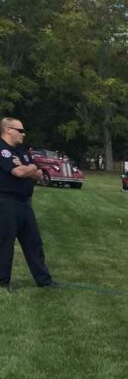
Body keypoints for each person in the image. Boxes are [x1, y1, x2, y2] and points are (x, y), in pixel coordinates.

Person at [0, 117, 55, 291]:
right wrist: (30, 167)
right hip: (6, 202)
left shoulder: (23, 150)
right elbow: (18, 172)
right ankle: (3, 282)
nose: (24, 134)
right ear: (8, 130)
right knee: (5, 243)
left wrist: (28, 167)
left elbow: (40, 175)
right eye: (20, 130)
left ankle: (44, 280)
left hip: (25, 203)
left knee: (34, 242)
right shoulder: (2, 150)